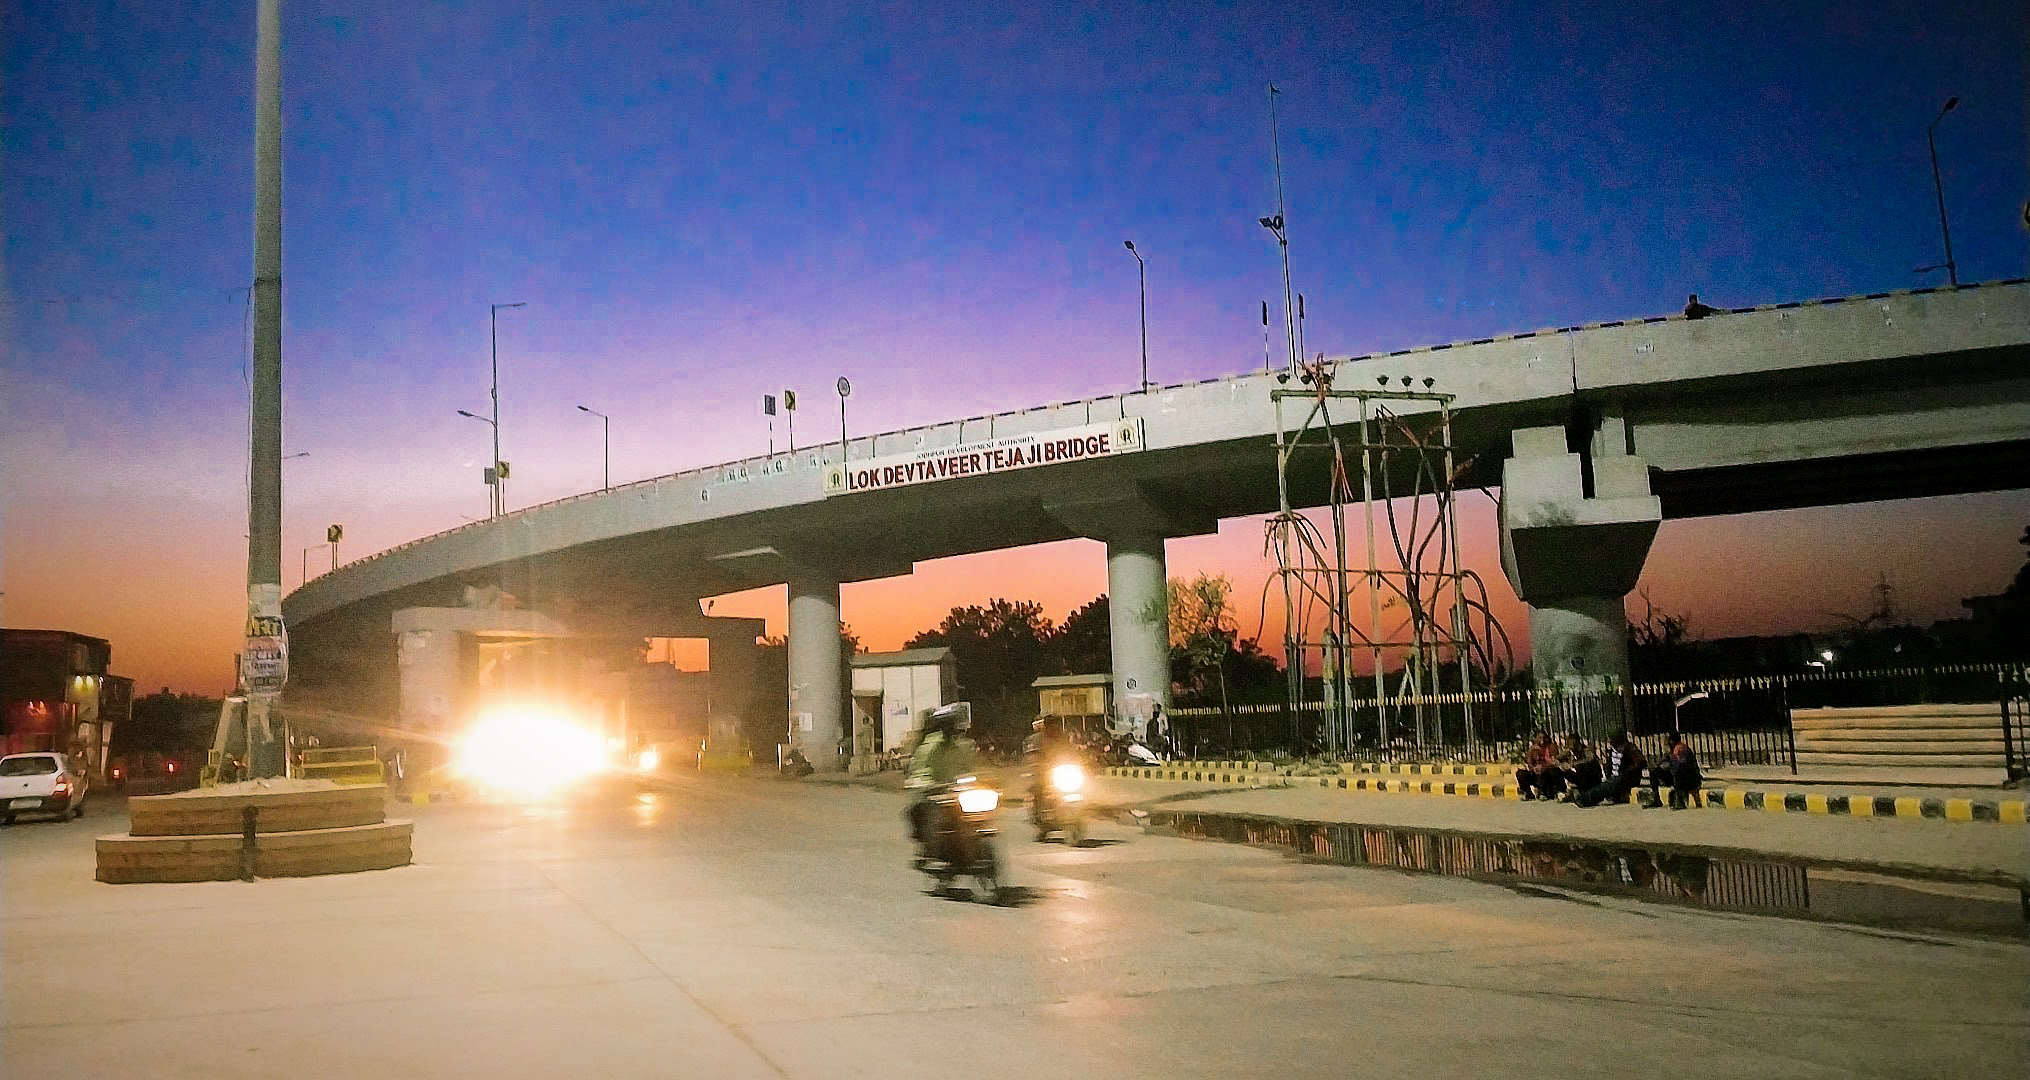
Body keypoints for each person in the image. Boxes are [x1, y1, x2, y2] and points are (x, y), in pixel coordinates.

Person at [905, 704, 977, 846]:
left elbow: (970, 768)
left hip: (957, 793)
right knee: (931, 814)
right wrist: (929, 785)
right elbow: (919, 773)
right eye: (948, 726)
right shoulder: (928, 747)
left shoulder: (963, 746)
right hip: (936, 794)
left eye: (953, 725)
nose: (952, 730)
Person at [1574, 731, 1646, 807]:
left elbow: (1642, 762)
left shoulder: (1630, 749)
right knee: (1604, 786)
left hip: (1627, 778)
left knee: (1608, 786)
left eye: (1612, 739)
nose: (1610, 741)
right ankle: (1586, 798)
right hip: (1614, 778)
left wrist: (1627, 771)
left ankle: (1585, 799)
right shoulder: (1613, 751)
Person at [1650, 732, 1704, 809]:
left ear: (1673, 741)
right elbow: (1662, 762)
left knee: (1677, 772)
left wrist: (1668, 766)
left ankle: (1679, 802)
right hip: (1679, 777)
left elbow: (1680, 766)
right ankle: (1657, 800)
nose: (1668, 743)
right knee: (1654, 772)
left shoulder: (1681, 749)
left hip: (1690, 779)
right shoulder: (1673, 750)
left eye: (1669, 741)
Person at [1515, 731, 1565, 801]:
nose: (1541, 740)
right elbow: (1528, 761)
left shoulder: (1550, 747)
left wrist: (1543, 767)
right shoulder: (1534, 748)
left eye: (1543, 738)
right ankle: (1528, 793)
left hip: (1547, 771)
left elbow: (1553, 761)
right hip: (1536, 772)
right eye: (1539, 738)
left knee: (1550, 772)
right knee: (1520, 774)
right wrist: (1533, 767)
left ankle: (1547, 792)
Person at [1557, 733, 1601, 797]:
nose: (1571, 746)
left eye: (1572, 743)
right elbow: (1557, 758)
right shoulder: (1571, 752)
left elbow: (1590, 758)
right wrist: (1561, 764)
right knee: (1561, 770)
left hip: (1590, 775)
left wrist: (1574, 764)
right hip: (1580, 775)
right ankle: (1562, 791)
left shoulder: (1585, 750)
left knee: (1585, 768)